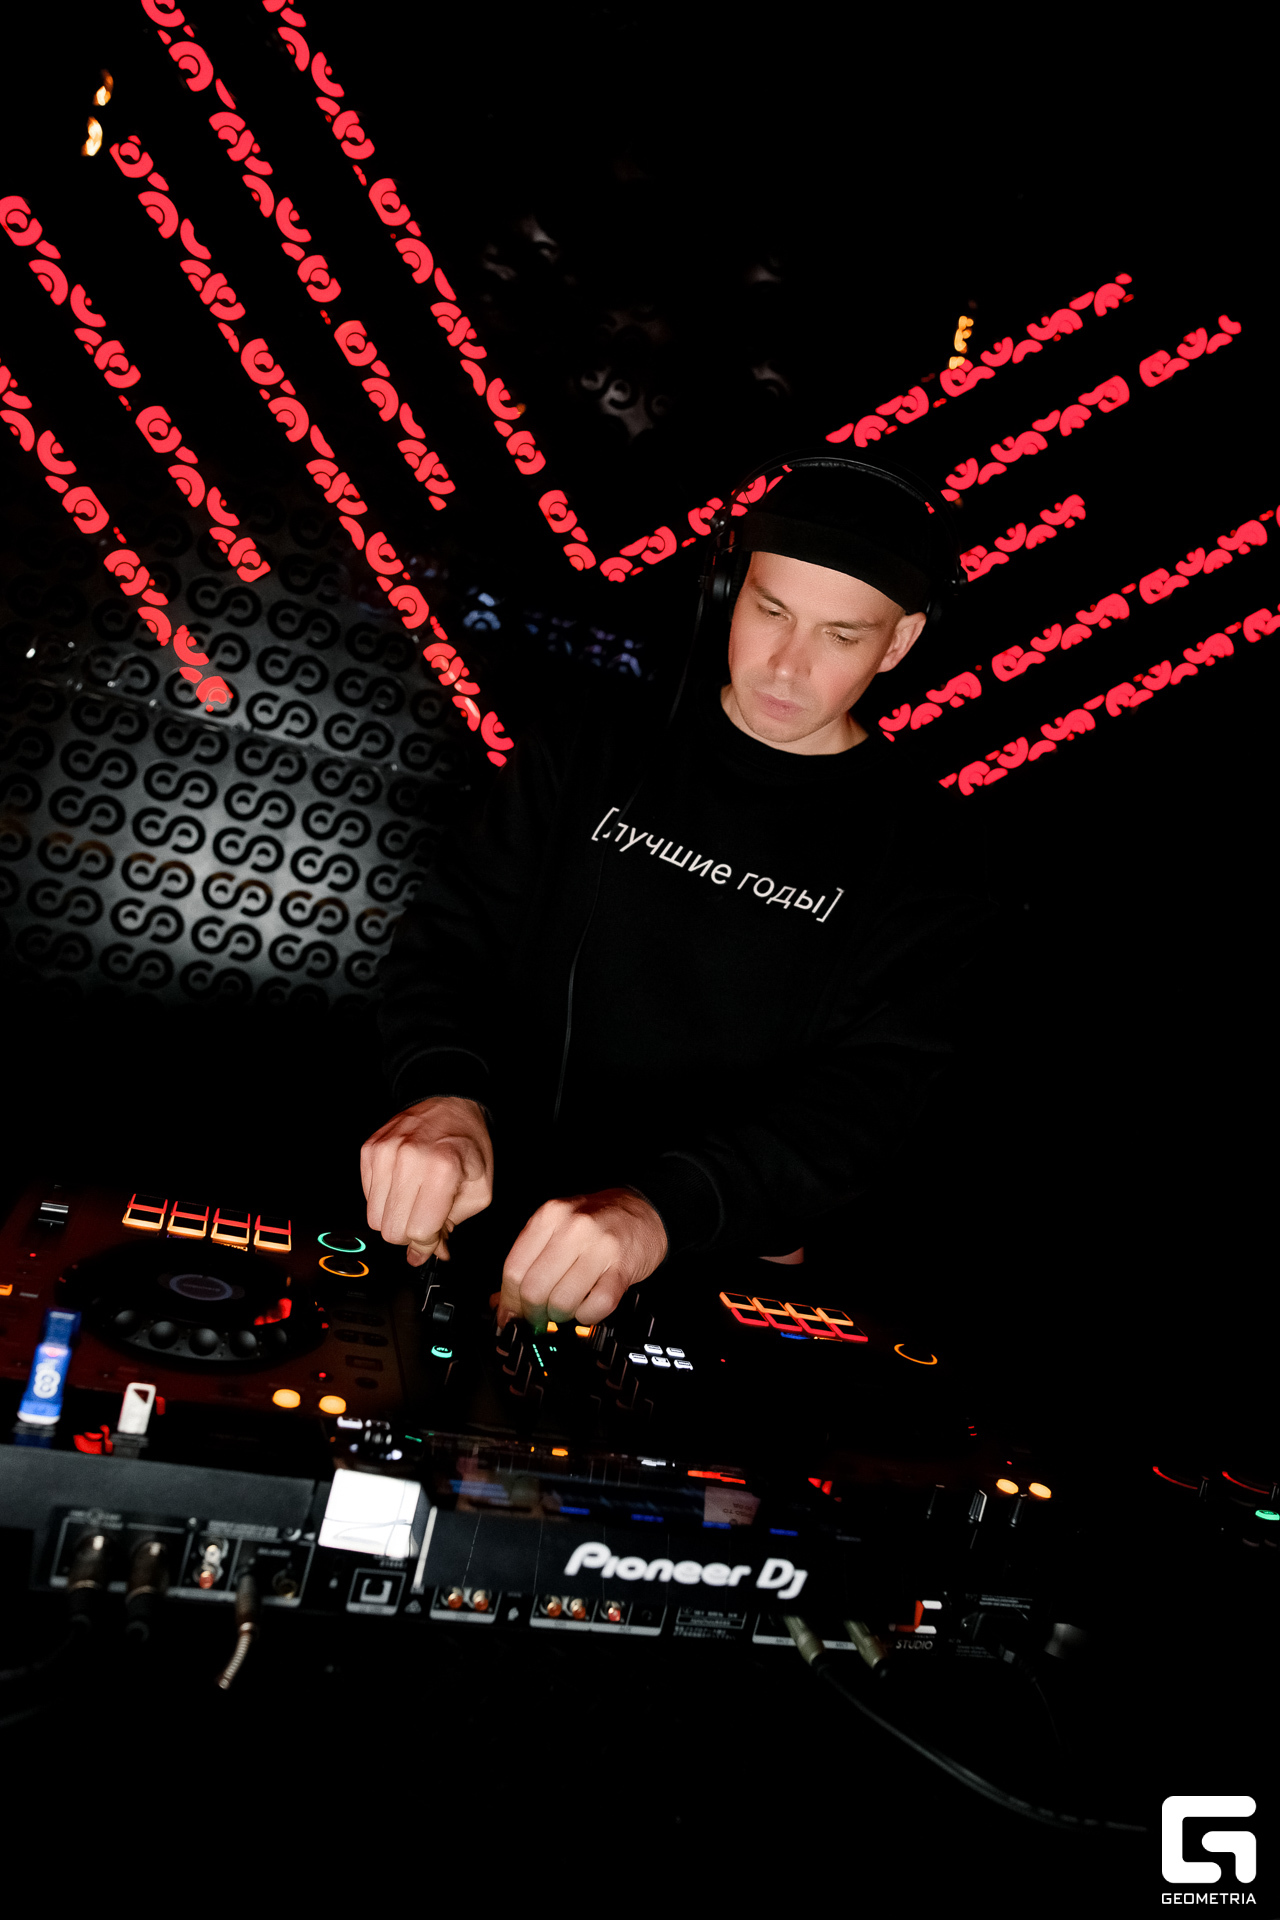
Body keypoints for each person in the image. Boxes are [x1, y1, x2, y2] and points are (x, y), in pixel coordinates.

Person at [361, 456, 996, 1330]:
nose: (787, 665)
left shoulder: (932, 859)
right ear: (728, 590)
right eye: (770, 611)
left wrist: (661, 1210)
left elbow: (866, 1103)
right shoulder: (588, 742)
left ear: (900, 642)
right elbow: (450, 938)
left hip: (710, 1265)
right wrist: (443, 1092)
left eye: (841, 636)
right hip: (481, 1216)